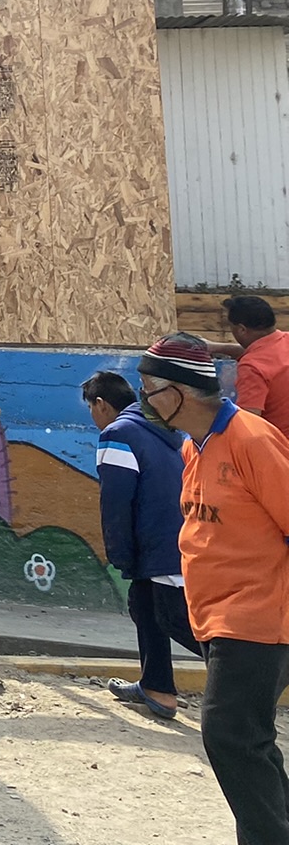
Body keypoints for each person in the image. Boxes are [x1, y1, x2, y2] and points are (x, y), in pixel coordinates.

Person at [135, 333, 289, 844]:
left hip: (258, 616)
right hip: (216, 615)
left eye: (149, 389)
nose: (144, 399)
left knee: (230, 734)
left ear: (178, 391)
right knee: (249, 739)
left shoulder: (252, 440)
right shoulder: (193, 446)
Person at [85, 369, 197, 721]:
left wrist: (120, 554)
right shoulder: (168, 431)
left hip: (157, 545)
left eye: (90, 408)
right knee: (144, 605)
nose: (92, 415)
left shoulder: (117, 434)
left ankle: (253, 675)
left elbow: (116, 503)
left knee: (176, 620)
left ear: (101, 404)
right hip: (181, 540)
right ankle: (157, 688)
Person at [220, 296, 289, 438]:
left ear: (241, 329)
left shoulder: (251, 367)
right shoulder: (285, 339)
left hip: (279, 446)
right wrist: (215, 347)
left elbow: (249, 425)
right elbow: (262, 350)